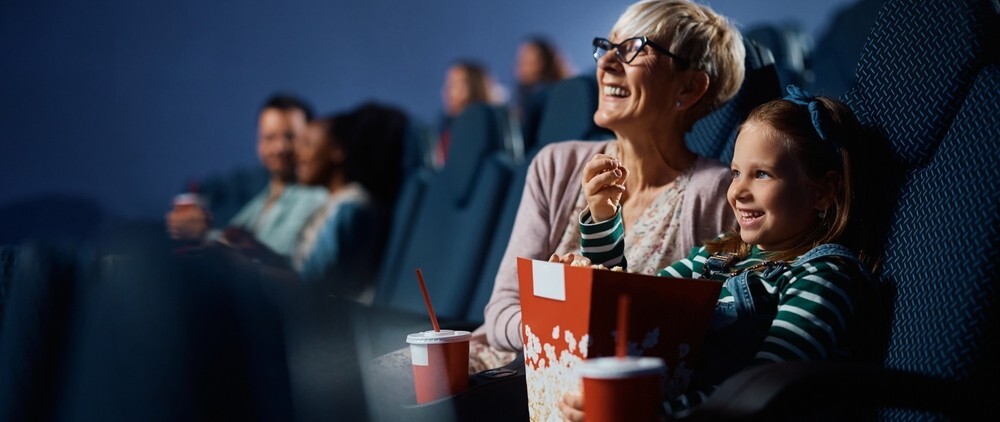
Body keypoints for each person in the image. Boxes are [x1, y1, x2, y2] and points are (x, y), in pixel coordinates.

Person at [557, 87, 879, 420]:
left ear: (823, 192)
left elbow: (761, 391)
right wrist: (598, 236)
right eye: (737, 172)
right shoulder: (721, 253)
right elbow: (635, 310)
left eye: (762, 174)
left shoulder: (824, 277)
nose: (737, 190)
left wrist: (644, 414)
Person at [481, 0, 746, 362]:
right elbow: (501, 312)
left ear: (688, 88)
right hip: (512, 364)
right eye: (606, 48)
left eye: (633, 49)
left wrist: (572, 331)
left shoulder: (718, 195)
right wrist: (561, 333)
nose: (605, 63)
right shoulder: (555, 165)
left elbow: (702, 338)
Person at [165, 93, 328, 258]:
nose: (280, 148)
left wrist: (203, 235)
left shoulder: (314, 197)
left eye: (290, 137)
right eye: (269, 138)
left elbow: (273, 258)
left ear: (311, 138)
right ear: (259, 143)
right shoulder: (266, 196)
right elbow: (233, 238)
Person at [434, 59, 501, 167]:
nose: (447, 91)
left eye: (455, 84)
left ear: (475, 87)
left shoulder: (483, 129)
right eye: (448, 84)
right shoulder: (446, 129)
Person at [514, 35, 573, 144]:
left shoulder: (540, 97)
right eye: (520, 61)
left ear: (545, 63)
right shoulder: (565, 91)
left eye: (528, 61)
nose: (520, 67)